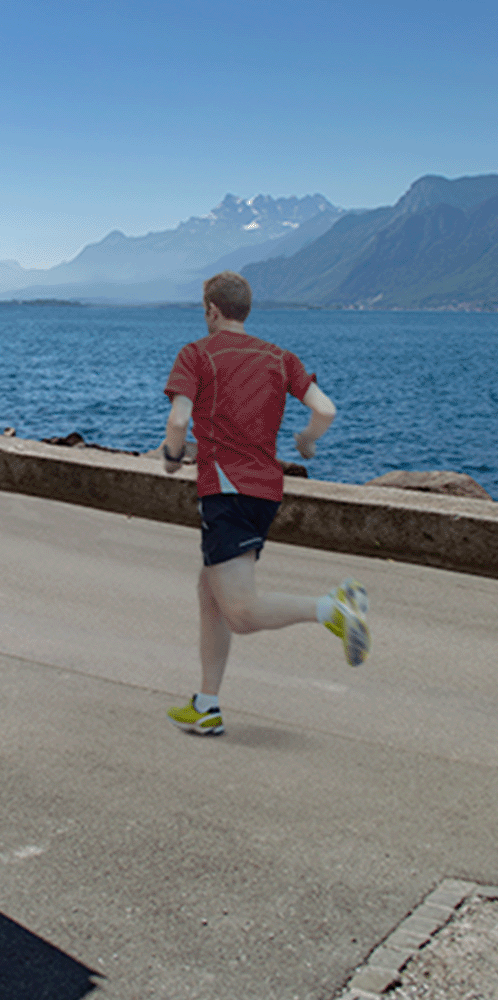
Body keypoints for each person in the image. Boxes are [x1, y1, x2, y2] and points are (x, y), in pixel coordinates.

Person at [161, 271, 370, 736]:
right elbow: (326, 410)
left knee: (239, 611)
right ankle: (207, 704)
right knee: (209, 591)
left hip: (226, 490)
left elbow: (178, 421)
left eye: (204, 308)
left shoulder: (197, 354)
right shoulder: (280, 358)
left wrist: (173, 456)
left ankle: (334, 609)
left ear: (212, 309)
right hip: (265, 493)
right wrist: (306, 442)